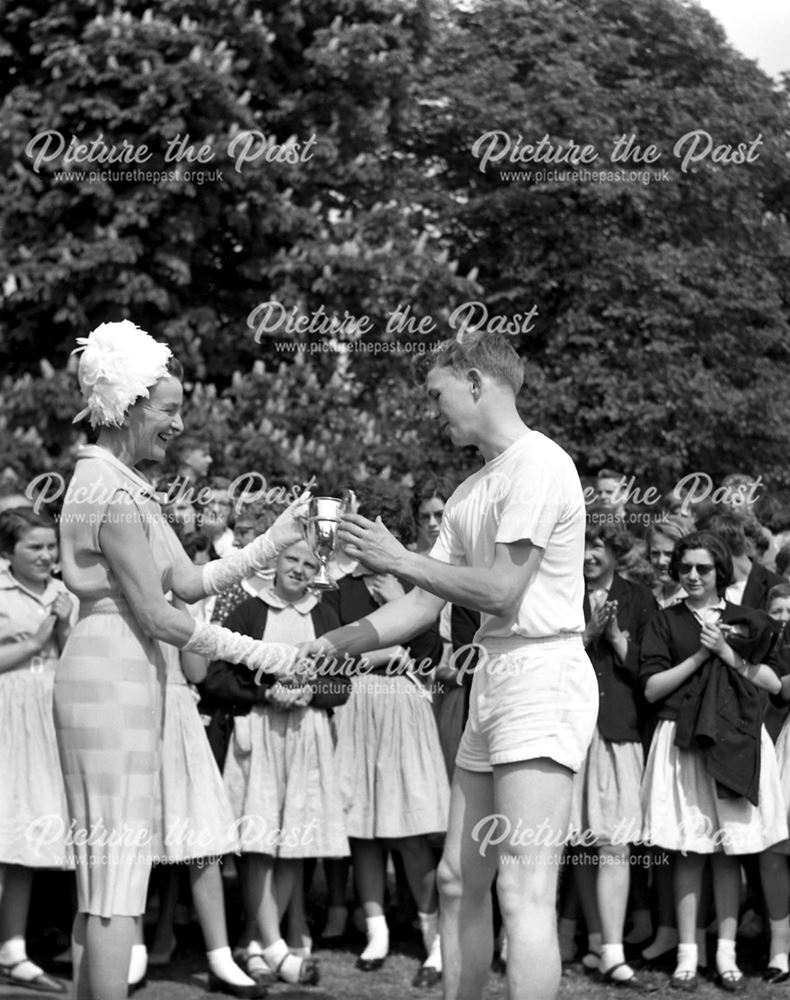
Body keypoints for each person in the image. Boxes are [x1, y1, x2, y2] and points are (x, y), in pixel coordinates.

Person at [299, 331, 598, 1000]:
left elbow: (499, 590)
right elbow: (421, 606)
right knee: (458, 880)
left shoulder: (541, 464)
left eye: (438, 394)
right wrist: (329, 644)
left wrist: (398, 557)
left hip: (543, 677)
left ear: (475, 381)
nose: (435, 409)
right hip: (494, 679)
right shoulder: (468, 492)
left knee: (524, 888)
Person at [53, 320, 311, 1000]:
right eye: (169, 409)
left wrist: (273, 541)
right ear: (131, 405)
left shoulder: (120, 483)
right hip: (110, 673)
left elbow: (192, 583)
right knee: (114, 880)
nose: (178, 423)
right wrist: (268, 654)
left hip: (122, 669)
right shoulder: (108, 489)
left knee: (105, 876)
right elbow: (163, 615)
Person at [639, 530, 787, 991]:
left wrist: (727, 652)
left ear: (719, 570)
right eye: (685, 568)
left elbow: (776, 684)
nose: (693, 576)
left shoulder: (751, 620)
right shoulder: (666, 621)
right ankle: (688, 953)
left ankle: (726, 954)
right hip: (681, 741)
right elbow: (651, 688)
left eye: (703, 568)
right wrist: (702, 655)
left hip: (736, 740)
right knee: (688, 850)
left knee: (728, 853)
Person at [323, 484, 448, 987]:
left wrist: (398, 601)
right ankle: (376, 931)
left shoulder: (412, 583)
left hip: (402, 708)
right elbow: (331, 653)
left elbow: (430, 656)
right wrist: (382, 656)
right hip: (355, 706)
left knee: (411, 831)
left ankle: (434, 938)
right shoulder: (338, 586)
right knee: (363, 831)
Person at [218, 540, 351, 987]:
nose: (298, 568)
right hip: (260, 733)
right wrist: (265, 692)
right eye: (291, 559)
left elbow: (342, 686)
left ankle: (254, 945)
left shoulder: (325, 616)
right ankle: (273, 944)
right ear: (274, 562)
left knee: (293, 840)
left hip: (307, 736)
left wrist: (311, 693)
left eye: (309, 563)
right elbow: (217, 677)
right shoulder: (248, 612)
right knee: (257, 842)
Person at [567, 517, 657, 986]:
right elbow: (547, 658)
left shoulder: (641, 599)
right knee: (582, 842)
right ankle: (601, 945)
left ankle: (615, 950)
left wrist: (616, 634)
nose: (588, 554)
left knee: (615, 844)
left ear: (617, 550)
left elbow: (654, 674)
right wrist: (585, 635)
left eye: (598, 545)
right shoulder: (559, 590)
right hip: (574, 732)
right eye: (583, 544)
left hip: (621, 732)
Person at [0, 508, 75, 995]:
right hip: (6, 708)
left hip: (48, 713)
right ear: (9, 551)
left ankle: (13, 952)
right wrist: (36, 642)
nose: (48, 556)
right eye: (36, 548)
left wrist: (64, 629)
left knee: (26, 836)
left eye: (52, 547)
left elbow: (71, 657)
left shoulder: (65, 593)